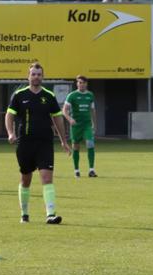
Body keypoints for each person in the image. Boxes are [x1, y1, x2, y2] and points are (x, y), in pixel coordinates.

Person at [5, 63, 71, 225]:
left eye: (39, 74)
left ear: (43, 76)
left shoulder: (49, 96)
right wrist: (11, 133)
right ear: (28, 76)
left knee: (47, 177)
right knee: (26, 179)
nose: (36, 77)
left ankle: (50, 214)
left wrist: (63, 140)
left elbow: (57, 118)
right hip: (25, 143)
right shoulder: (19, 95)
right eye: (33, 74)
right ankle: (25, 214)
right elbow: (9, 115)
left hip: (45, 143)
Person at [62, 75, 99, 178]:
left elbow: (92, 110)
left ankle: (91, 170)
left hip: (87, 124)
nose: (81, 84)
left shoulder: (90, 95)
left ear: (86, 84)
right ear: (77, 84)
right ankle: (76, 170)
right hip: (76, 125)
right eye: (79, 82)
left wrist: (94, 124)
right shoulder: (72, 95)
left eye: (83, 83)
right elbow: (64, 111)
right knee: (76, 146)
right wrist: (70, 119)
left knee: (90, 143)